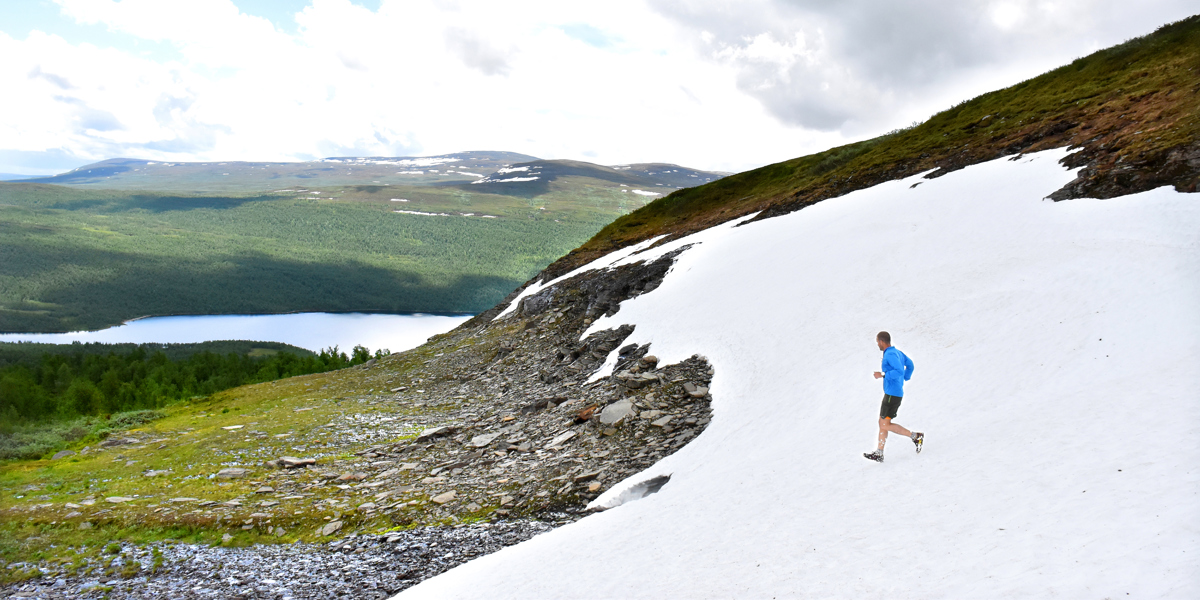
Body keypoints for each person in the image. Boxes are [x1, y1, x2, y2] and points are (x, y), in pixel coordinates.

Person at [864, 331, 922, 462]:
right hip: (893, 393)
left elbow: (898, 371)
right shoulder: (897, 353)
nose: (877, 344)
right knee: (882, 422)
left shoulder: (890, 355)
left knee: (884, 424)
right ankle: (879, 452)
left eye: (877, 342)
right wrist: (906, 377)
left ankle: (915, 436)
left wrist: (883, 375)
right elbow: (910, 364)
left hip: (892, 394)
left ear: (882, 341)